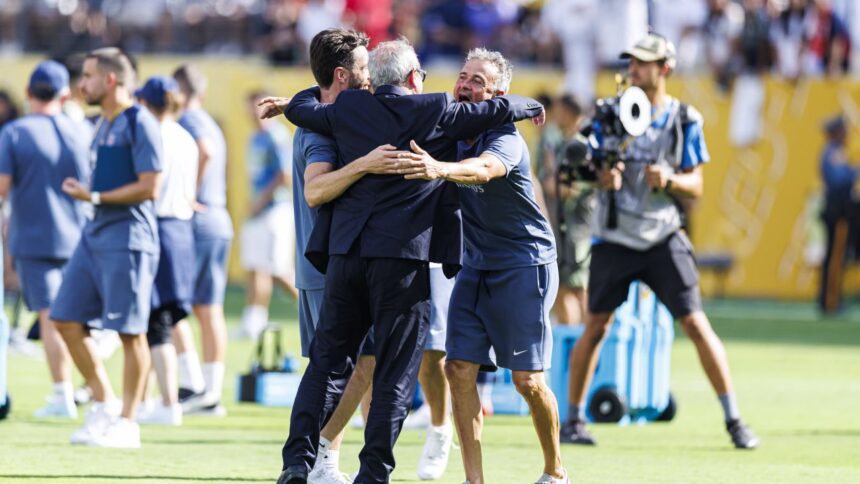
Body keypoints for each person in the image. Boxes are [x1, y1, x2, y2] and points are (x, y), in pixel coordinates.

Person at [276, 38, 544, 483]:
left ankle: (295, 465)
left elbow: (303, 107)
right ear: (414, 77)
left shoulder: (346, 110)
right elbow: (500, 110)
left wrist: (290, 99)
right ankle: (373, 473)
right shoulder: (436, 110)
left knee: (326, 364)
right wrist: (529, 105)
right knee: (395, 375)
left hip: (346, 256)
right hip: (402, 262)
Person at [558, 33, 760, 450]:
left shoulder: (684, 119)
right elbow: (574, 165)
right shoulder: (608, 112)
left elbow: (697, 185)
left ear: (664, 68)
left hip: (662, 235)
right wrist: (599, 176)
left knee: (695, 323)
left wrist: (668, 180)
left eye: (644, 62)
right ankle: (573, 421)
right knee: (595, 327)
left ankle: (734, 419)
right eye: (632, 61)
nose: (634, 68)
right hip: (613, 237)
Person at [395, 48, 568, 484]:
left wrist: (439, 168)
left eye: (478, 80)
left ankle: (555, 471)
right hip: (476, 264)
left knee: (527, 381)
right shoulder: (451, 125)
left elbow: (484, 170)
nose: (466, 84)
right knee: (458, 369)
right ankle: (475, 480)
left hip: (524, 264)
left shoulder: (505, 137)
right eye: (463, 76)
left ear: (497, 94)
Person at [50, 47, 162, 448]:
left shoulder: (139, 121)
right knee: (63, 317)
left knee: (131, 332)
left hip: (128, 238)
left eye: (89, 77)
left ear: (111, 80)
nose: (82, 84)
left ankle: (128, 424)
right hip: (94, 235)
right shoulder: (102, 124)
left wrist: (93, 197)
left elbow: (151, 186)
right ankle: (104, 403)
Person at [0, 61, 90, 419]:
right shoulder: (81, 131)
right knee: (76, 317)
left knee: (52, 318)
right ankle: (93, 391)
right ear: (65, 94)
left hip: (35, 237)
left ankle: (62, 393)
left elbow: (2, 187)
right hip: (80, 235)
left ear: (27, 93)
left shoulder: (15, 133)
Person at [135, 75, 198, 426]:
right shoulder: (185, 136)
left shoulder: (152, 134)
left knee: (153, 321)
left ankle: (167, 401)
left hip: (156, 225)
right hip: (180, 228)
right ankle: (147, 398)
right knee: (160, 319)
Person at [173, 64, 233, 416]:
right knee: (208, 308)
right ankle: (207, 389)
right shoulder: (208, 118)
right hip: (218, 217)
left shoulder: (190, 121)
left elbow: (205, 152)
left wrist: (188, 193)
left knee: (172, 303)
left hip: (199, 218)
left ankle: (196, 383)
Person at [239, 91, 299, 341]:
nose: (254, 112)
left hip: (275, 209)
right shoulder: (255, 138)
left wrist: (261, 201)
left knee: (277, 270)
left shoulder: (277, 137)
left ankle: (316, 309)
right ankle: (253, 321)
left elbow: (284, 175)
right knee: (255, 266)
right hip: (259, 210)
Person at [552, 95, 594, 325]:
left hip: (576, 227)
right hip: (567, 225)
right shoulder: (564, 142)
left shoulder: (580, 145)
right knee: (569, 288)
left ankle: (579, 350)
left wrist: (549, 183)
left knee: (574, 289)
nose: (554, 116)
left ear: (569, 112)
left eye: (558, 110)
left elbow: (574, 188)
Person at [818, 115, 857, 313]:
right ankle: (830, 300)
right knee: (834, 257)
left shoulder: (836, 152)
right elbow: (838, 180)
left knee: (836, 256)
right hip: (837, 212)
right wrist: (854, 172)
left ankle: (831, 299)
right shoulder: (832, 153)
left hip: (838, 211)